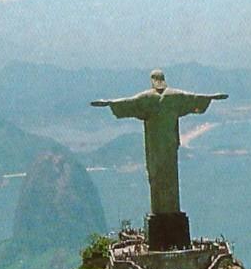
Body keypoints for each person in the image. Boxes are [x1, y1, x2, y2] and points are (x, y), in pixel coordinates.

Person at [91, 70, 227, 215]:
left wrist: (109, 103)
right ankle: (172, 208)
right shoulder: (174, 96)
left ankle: (159, 210)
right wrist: (211, 97)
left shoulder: (147, 98)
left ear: (152, 80)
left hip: (155, 144)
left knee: (156, 174)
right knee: (170, 175)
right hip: (170, 143)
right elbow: (193, 98)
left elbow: (129, 102)